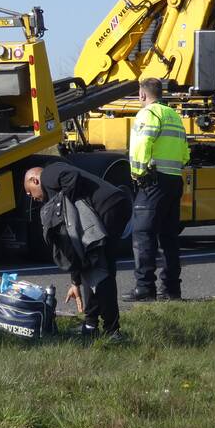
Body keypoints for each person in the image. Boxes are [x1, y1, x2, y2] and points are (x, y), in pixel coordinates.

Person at [24, 161, 132, 337]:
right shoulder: (53, 183)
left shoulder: (49, 174)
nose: (32, 198)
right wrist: (75, 281)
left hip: (109, 207)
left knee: (100, 270)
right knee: (94, 266)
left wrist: (63, 202)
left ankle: (111, 331)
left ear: (35, 180)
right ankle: (92, 325)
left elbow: (72, 177)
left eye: (30, 192)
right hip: (116, 205)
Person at [123, 77, 190, 302]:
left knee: (143, 233)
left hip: (154, 181)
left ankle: (144, 288)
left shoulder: (148, 114)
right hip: (174, 180)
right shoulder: (173, 115)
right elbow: (185, 152)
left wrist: (138, 174)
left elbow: (142, 144)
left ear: (142, 95)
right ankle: (172, 290)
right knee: (169, 237)